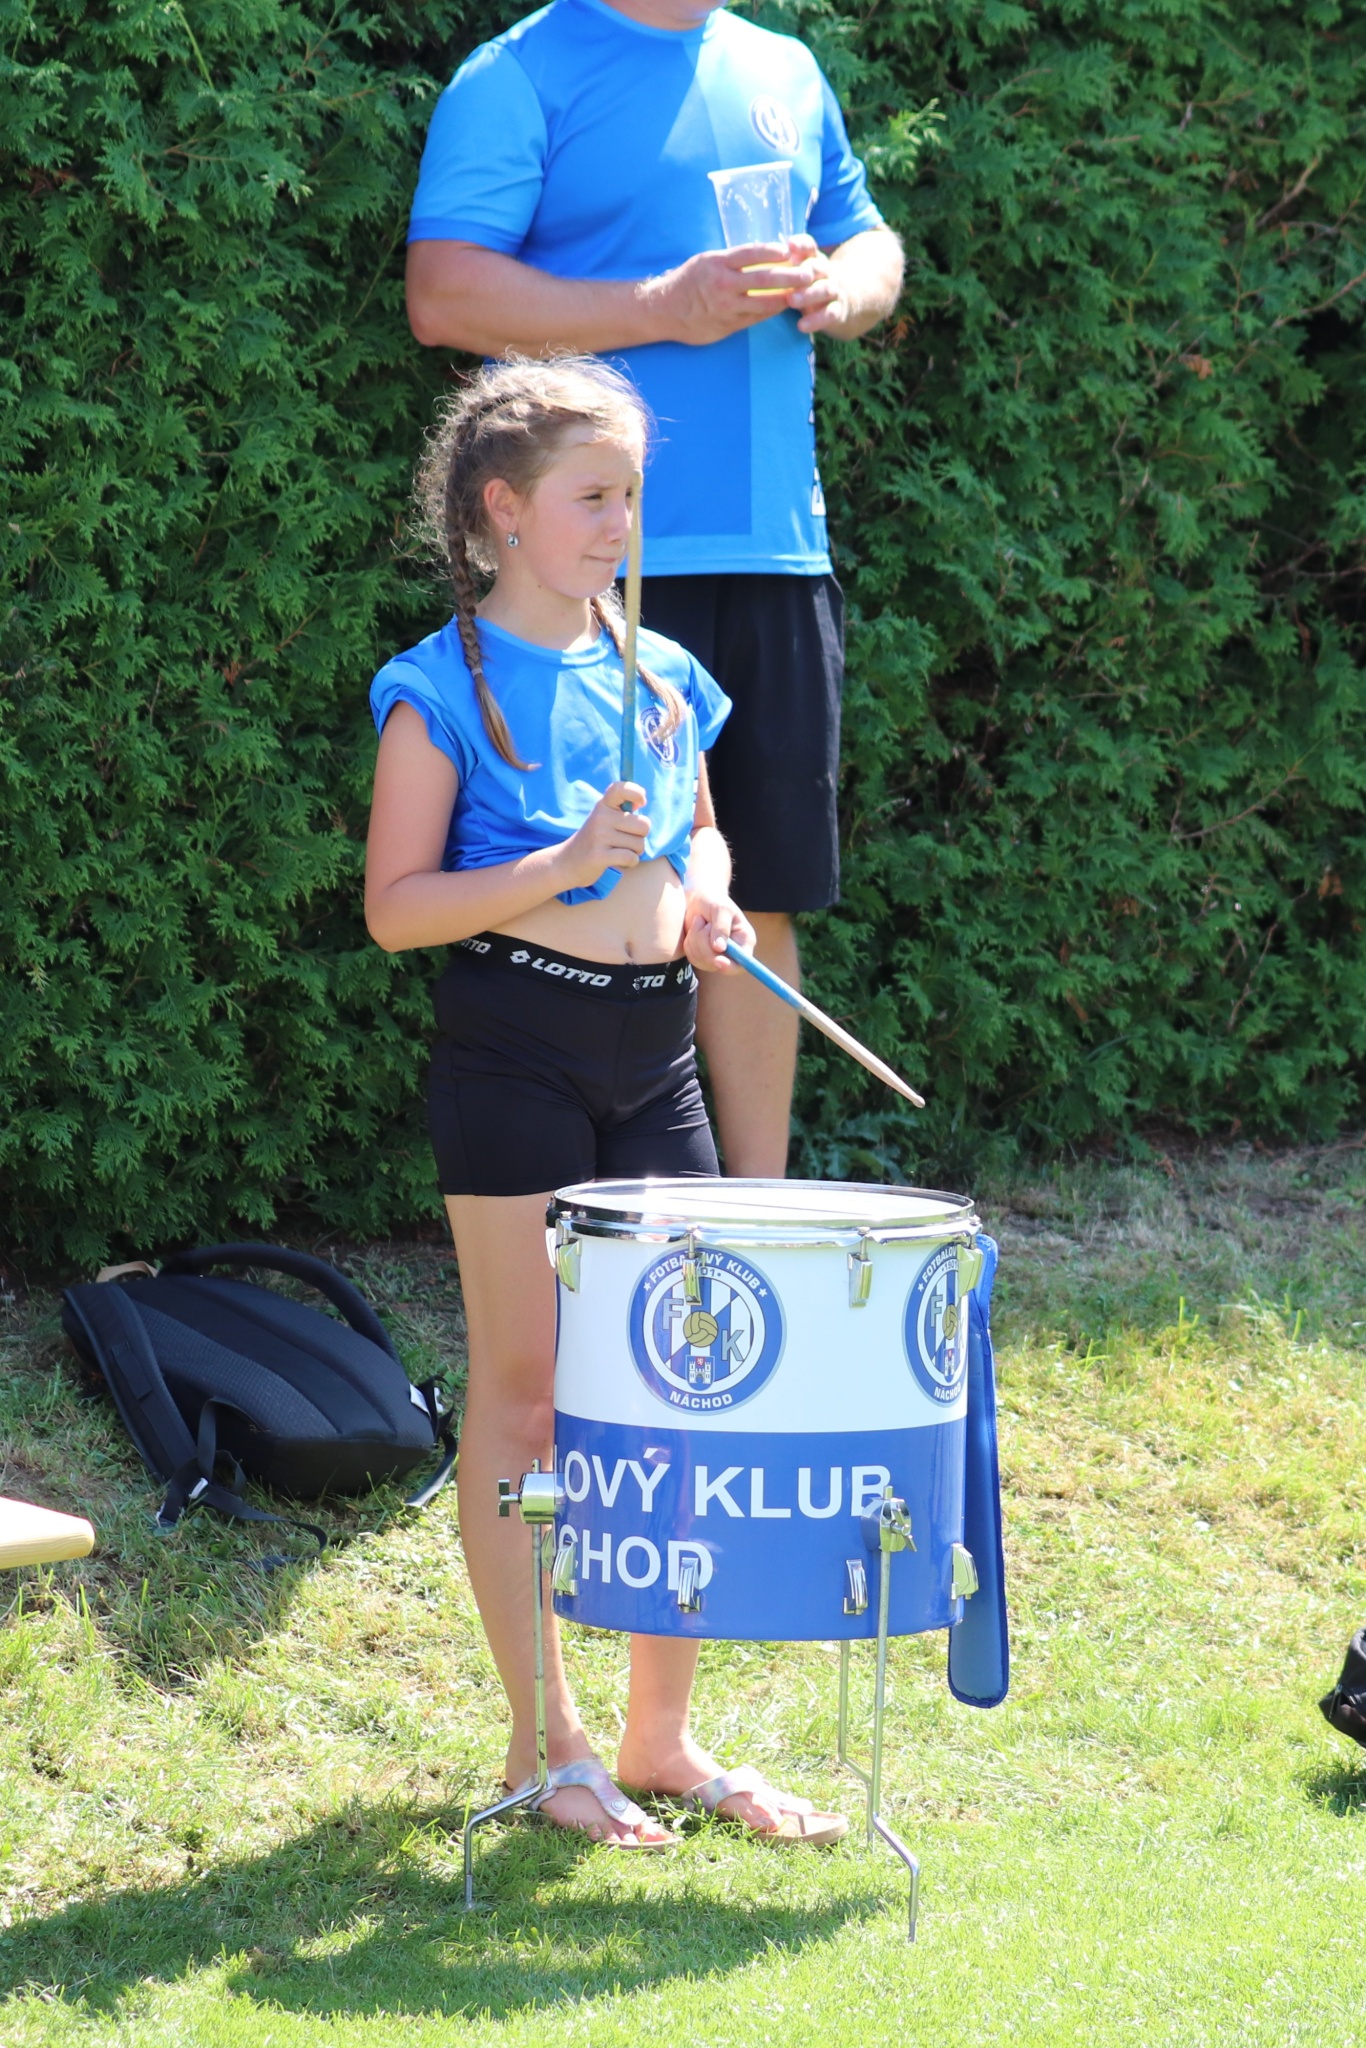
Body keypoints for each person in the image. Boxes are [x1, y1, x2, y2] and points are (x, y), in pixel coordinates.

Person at [364, 356, 847, 1847]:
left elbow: (703, 838)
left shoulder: (659, 672)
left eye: (632, 495)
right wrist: (561, 867)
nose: (621, 524)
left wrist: (705, 901)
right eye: (593, 496)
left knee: (671, 1404)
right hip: (512, 1054)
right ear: (502, 510)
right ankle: (545, 1742)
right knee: (524, 1404)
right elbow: (396, 909)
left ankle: (660, 1738)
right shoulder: (436, 688)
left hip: (656, 1058)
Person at [404, 0, 904, 1178]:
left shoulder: (783, 66)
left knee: (754, 898)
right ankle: (595, 1217)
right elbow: (443, 294)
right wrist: (658, 307)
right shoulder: (517, 73)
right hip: (601, 568)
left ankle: (754, 1220)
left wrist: (844, 288)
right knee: (608, 896)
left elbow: (869, 241)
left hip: (776, 552)